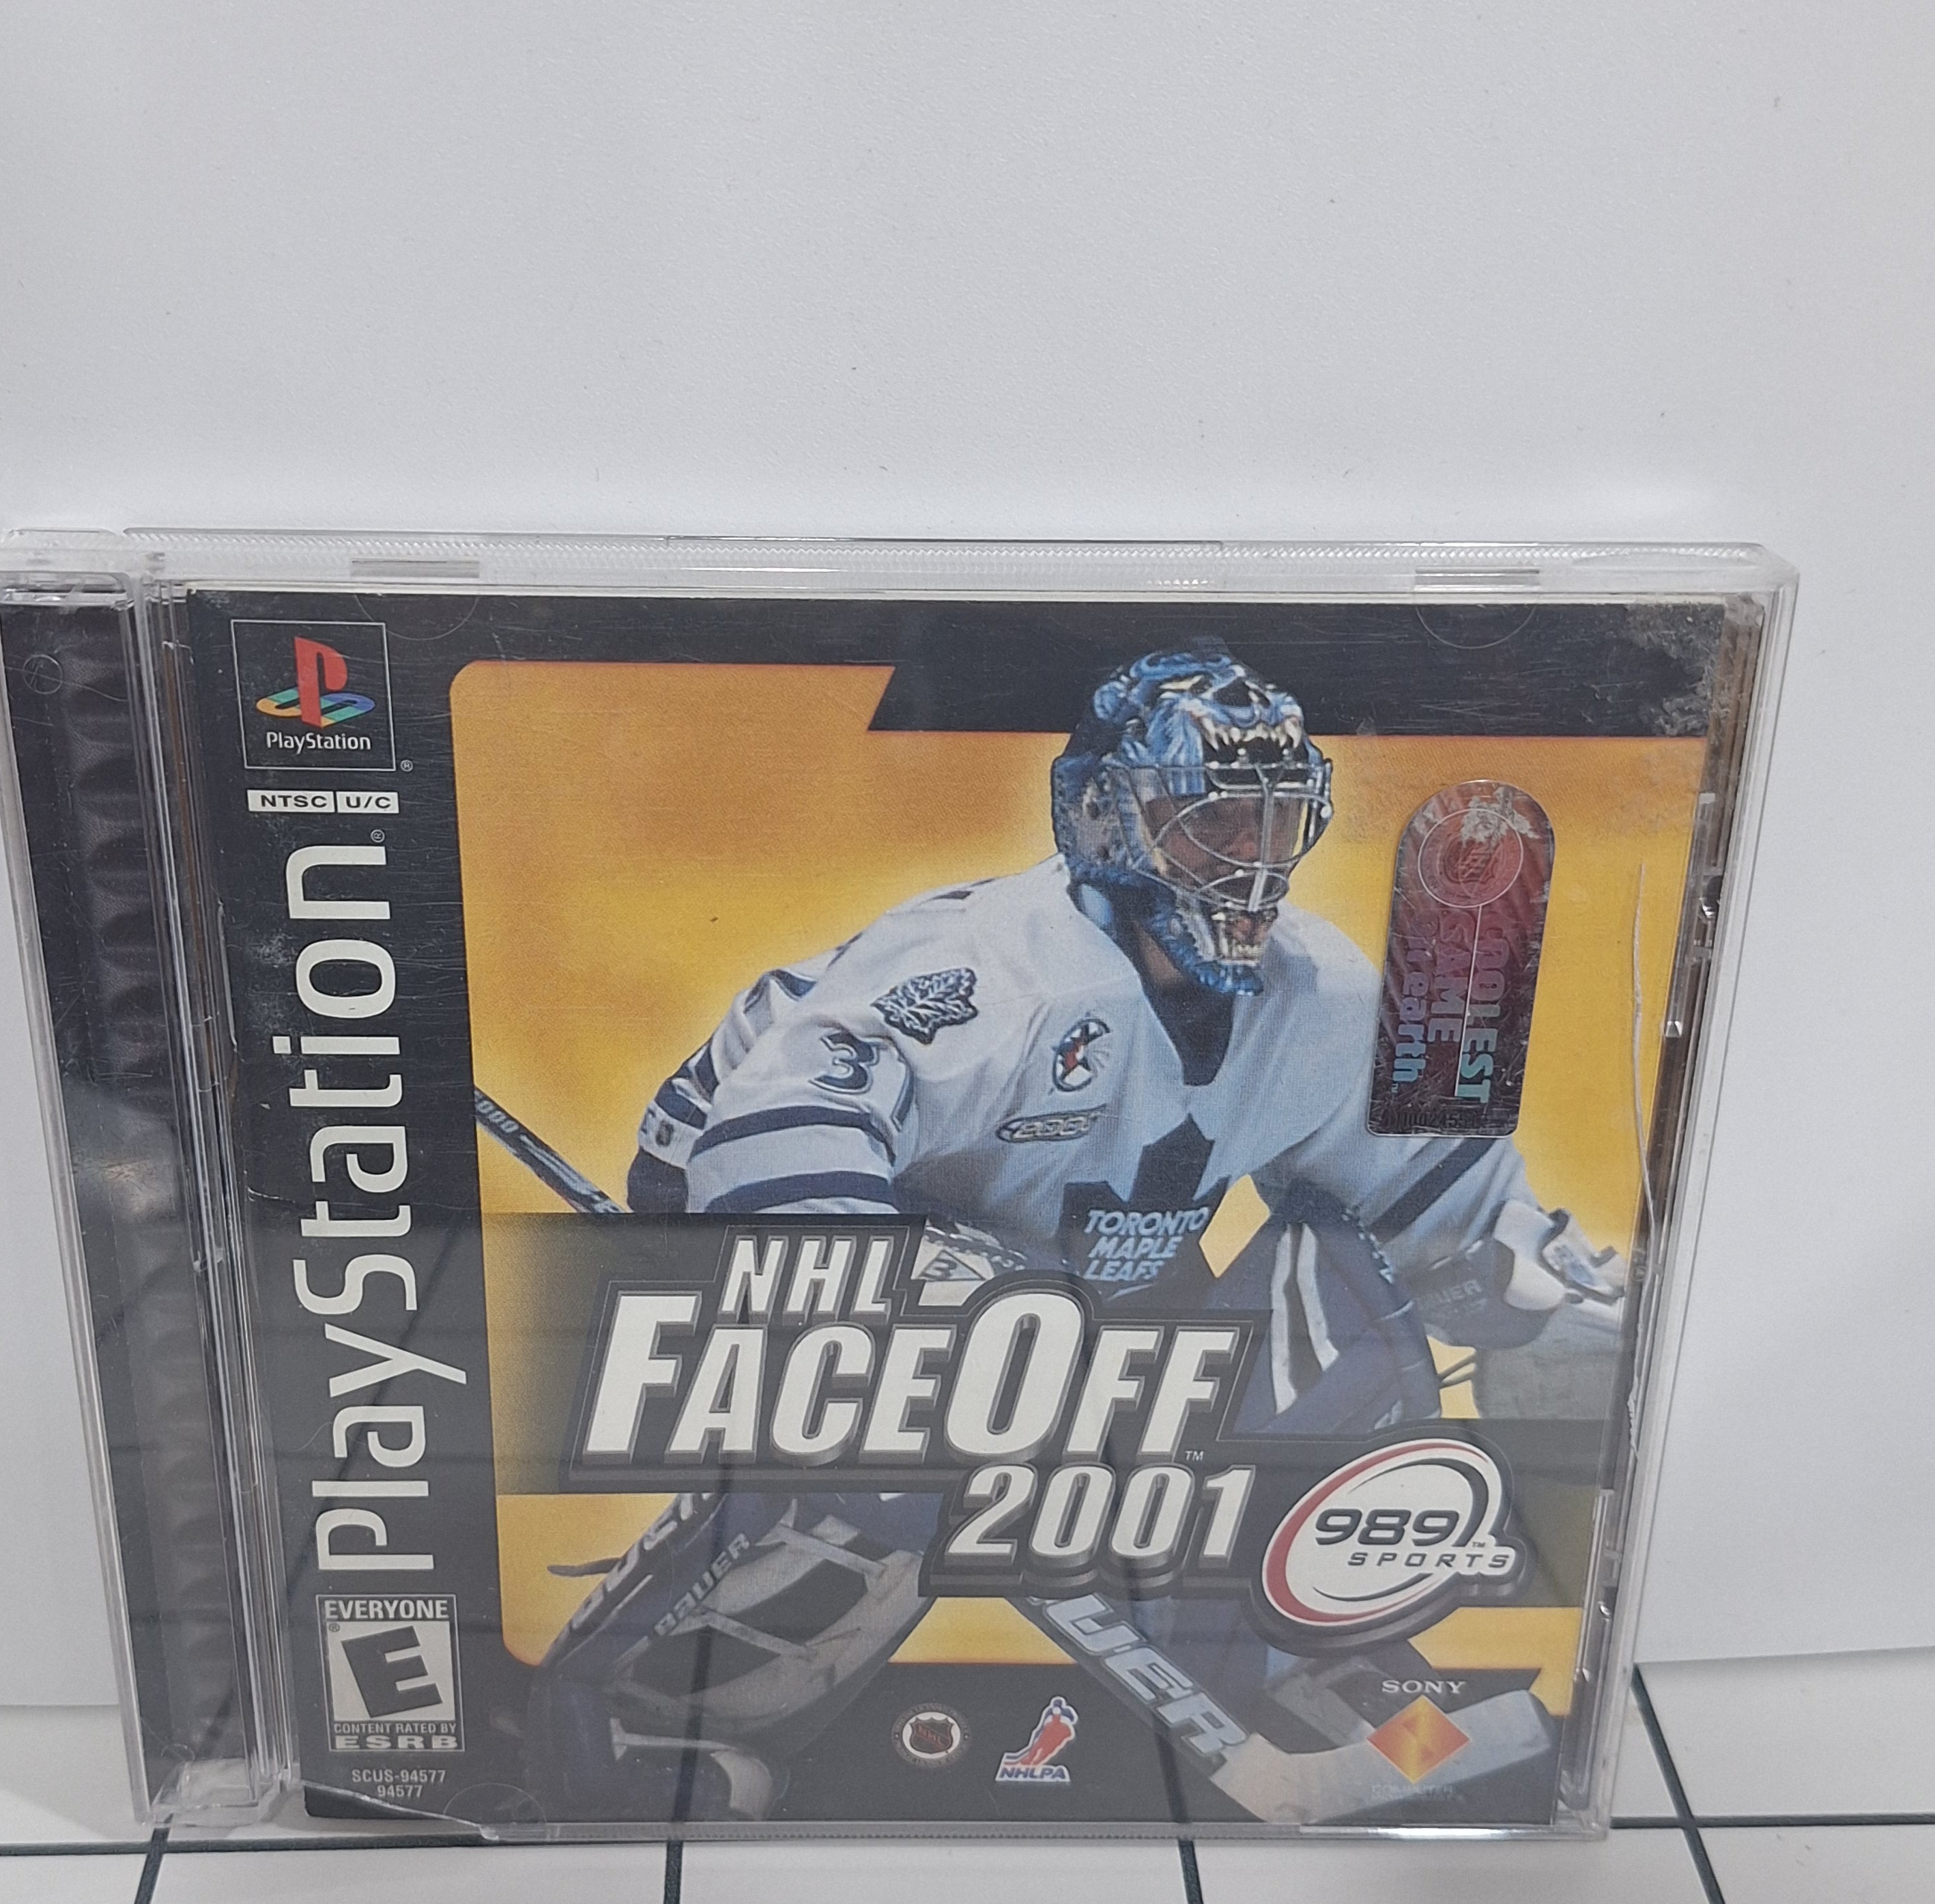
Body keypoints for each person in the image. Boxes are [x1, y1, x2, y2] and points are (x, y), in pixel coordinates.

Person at [528, 642, 1623, 1821]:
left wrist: (1525, 1274)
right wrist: (886, 1283)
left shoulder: (1319, 993)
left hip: (1075, 1277)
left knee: (1322, 1313)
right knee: (880, 1466)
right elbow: (771, 1132)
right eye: (1214, 825)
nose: (1254, 865)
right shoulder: (991, 973)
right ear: (1111, 821)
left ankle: (1334, 1678)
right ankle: (650, 1717)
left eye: (1275, 821)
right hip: (761, 1206)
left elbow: (1428, 1192)